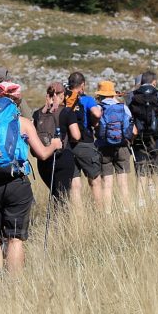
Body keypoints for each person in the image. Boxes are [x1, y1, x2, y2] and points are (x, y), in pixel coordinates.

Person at [0, 82, 61, 274]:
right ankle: (14, 282)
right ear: (16, 99)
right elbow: (41, 153)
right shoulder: (23, 122)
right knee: (15, 237)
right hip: (17, 182)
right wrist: (55, 145)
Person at [127, 72, 158, 200]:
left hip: (139, 139)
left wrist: (130, 139)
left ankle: (141, 204)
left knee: (141, 174)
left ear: (141, 81)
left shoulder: (131, 96)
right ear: (154, 82)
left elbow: (127, 119)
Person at [32, 81, 79, 203]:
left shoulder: (38, 114)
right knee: (62, 197)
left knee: (55, 193)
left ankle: (54, 219)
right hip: (63, 157)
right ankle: (60, 221)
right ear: (62, 94)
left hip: (44, 160)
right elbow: (76, 135)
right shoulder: (67, 112)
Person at [93, 81, 135, 210]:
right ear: (113, 93)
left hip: (103, 147)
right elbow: (131, 129)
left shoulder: (98, 108)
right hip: (122, 146)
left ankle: (107, 212)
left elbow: (95, 126)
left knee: (107, 184)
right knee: (123, 183)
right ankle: (126, 210)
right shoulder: (123, 107)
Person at [64, 72, 103, 206]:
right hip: (85, 143)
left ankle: (78, 218)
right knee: (95, 181)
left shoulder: (64, 99)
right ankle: (100, 213)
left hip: (67, 145)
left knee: (75, 184)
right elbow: (96, 113)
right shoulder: (86, 99)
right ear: (82, 85)